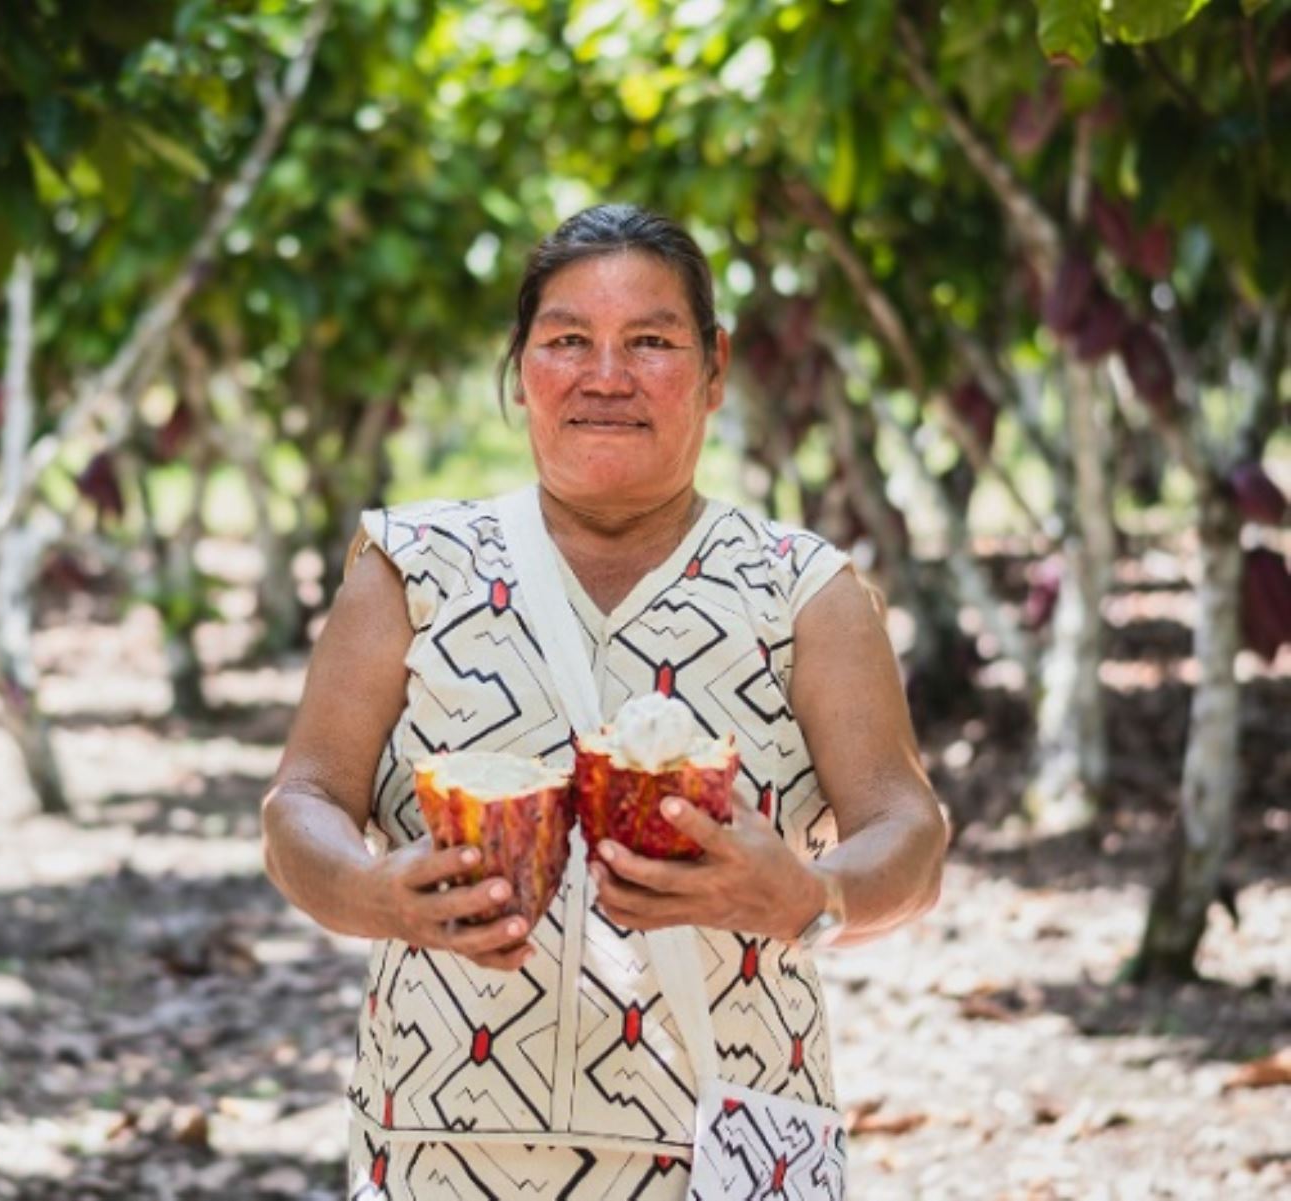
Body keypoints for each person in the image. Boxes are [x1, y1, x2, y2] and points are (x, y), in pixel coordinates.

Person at [262, 204, 948, 1198]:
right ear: (521, 370)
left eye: (652, 342)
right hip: (446, 1149)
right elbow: (301, 802)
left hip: (725, 1151)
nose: (607, 376)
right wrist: (370, 897)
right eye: (567, 340)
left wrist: (814, 896)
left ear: (714, 369)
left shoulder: (803, 590)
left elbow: (909, 828)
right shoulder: (416, 568)